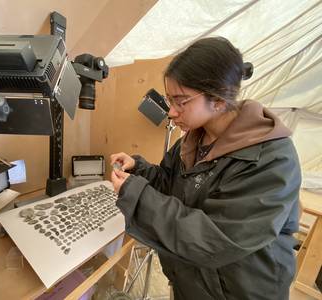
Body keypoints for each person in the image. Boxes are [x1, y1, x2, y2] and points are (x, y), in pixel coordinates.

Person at [110, 37, 301, 300]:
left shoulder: (272, 159)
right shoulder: (193, 139)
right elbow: (171, 183)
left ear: (219, 100)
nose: (171, 113)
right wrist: (139, 170)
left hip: (242, 290)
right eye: (169, 101)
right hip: (193, 281)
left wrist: (138, 195)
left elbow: (214, 238)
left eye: (181, 101)